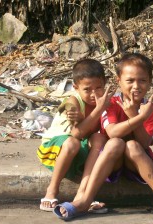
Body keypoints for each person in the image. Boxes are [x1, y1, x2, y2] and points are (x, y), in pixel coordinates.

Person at [53, 53, 153, 222]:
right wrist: (137, 117)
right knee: (115, 143)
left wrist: (134, 115)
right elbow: (112, 132)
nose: (136, 86)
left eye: (142, 80)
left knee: (132, 145)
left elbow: (145, 142)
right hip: (112, 162)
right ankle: (84, 200)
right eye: (130, 80)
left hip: (137, 163)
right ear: (119, 81)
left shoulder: (150, 108)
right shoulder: (110, 103)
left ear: (150, 82)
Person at [37, 58, 114, 213]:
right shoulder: (73, 101)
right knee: (72, 142)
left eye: (98, 88)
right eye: (87, 89)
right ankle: (52, 190)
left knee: (99, 139)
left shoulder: (107, 101)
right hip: (55, 150)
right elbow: (76, 133)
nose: (93, 94)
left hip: (79, 152)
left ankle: (83, 194)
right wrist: (98, 110)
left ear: (105, 83)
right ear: (76, 87)